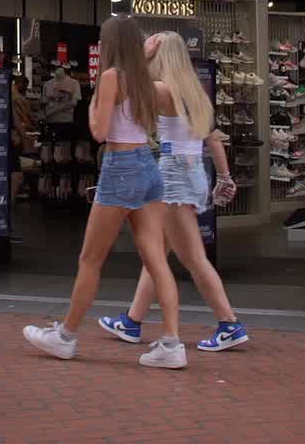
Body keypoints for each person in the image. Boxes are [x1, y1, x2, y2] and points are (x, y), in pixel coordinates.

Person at [24, 15, 186, 368]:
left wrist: (99, 91)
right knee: (156, 259)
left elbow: (98, 131)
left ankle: (65, 336)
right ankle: (173, 343)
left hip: (120, 166)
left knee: (90, 259)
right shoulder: (146, 79)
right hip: (147, 164)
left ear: (110, 44)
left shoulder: (111, 78)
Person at [99, 31, 248, 352]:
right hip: (192, 172)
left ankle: (229, 323)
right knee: (158, 253)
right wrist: (224, 176)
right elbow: (212, 138)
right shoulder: (196, 92)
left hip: (174, 174)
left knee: (192, 257)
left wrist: (138, 53)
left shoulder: (164, 90)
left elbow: (120, 85)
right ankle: (132, 321)